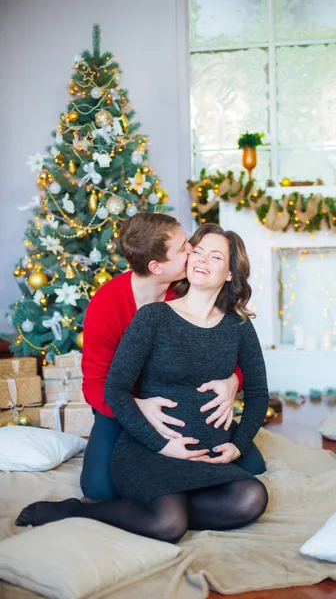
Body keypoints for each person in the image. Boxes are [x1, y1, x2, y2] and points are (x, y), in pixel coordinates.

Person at [16, 224, 269, 542]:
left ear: (231, 273)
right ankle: (77, 510)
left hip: (204, 448)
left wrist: (238, 442)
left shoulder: (238, 325)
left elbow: (258, 390)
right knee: (166, 525)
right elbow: (111, 387)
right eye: (196, 251)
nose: (199, 258)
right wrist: (163, 444)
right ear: (161, 265)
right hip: (150, 444)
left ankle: (158, 507)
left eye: (215, 256)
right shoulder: (152, 316)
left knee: (251, 497)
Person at [79, 213, 265, 501]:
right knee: (100, 489)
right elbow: (95, 384)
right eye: (184, 249)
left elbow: (222, 348)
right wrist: (137, 406)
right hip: (124, 402)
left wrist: (233, 380)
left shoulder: (187, 289)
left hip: (182, 400)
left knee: (252, 466)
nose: (193, 251)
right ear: (156, 267)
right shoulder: (107, 306)